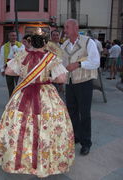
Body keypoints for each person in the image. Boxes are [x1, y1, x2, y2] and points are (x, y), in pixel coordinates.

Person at [0, 34, 75, 178]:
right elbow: (61, 78)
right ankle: (45, 161)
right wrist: (49, 77)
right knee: (49, 124)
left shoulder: (21, 54)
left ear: (30, 43)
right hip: (46, 93)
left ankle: (19, 160)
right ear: (44, 44)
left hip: (24, 92)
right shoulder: (51, 57)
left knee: (18, 124)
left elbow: (8, 71)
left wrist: (24, 75)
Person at [62, 19, 100, 155]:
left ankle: (86, 142)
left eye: (67, 27)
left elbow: (96, 62)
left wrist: (78, 64)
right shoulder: (64, 45)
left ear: (75, 27)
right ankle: (76, 136)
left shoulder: (88, 42)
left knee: (84, 113)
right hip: (70, 83)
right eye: (64, 27)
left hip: (84, 82)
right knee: (71, 112)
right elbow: (61, 63)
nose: (64, 29)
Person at [0, 31, 25, 97]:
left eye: (15, 35)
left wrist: (15, 48)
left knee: (19, 87)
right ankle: (11, 102)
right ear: (9, 36)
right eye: (12, 35)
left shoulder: (21, 45)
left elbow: (23, 56)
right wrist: (2, 69)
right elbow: (1, 58)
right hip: (8, 68)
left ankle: (18, 102)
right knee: (10, 87)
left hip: (18, 69)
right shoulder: (4, 47)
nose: (14, 37)